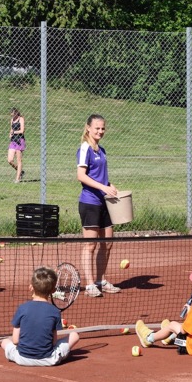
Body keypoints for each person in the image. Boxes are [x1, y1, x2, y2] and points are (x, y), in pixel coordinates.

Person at [76, 114, 121, 297]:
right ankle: (89, 285)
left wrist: (109, 185)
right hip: (89, 202)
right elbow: (82, 176)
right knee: (90, 246)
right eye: (97, 128)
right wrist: (103, 186)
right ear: (88, 128)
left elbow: (100, 175)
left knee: (107, 244)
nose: (100, 131)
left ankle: (101, 280)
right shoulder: (85, 148)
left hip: (104, 203)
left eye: (102, 128)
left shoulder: (101, 150)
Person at [135, 269, 192, 356]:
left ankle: (149, 338)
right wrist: (191, 313)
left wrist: (190, 314)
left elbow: (184, 331)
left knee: (172, 325)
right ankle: (169, 337)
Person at [1, 267, 80, 366]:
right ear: (53, 290)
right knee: (74, 335)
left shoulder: (22, 308)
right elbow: (54, 342)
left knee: (4, 341)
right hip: (49, 359)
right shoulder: (55, 311)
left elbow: (16, 340)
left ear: (31, 287)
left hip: (22, 358)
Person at [8, 108, 26, 183]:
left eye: (13, 114)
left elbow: (22, 130)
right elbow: (11, 129)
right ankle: (20, 172)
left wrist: (14, 132)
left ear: (16, 113)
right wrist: (10, 133)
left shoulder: (21, 119)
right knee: (10, 160)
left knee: (19, 160)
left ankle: (17, 179)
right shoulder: (12, 120)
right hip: (13, 141)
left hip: (19, 140)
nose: (12, 115)